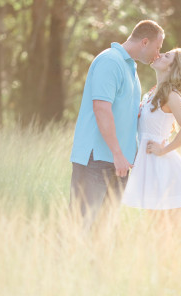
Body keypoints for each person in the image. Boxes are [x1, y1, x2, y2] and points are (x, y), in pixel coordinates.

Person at [69, 20, 164, 228]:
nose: (158, 54)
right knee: (81, 226)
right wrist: (118, 153)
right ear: (145, 42)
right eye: (157, 48)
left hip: (118, 164)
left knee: (104, 230)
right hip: (97, 160)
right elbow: (101, 109)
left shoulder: (131, 69)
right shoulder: (110, 61)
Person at [122, 48, 181, 229]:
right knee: (157, 225)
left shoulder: (170, 95)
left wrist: (163, 150)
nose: (159, 55)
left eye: (167, 56)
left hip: (164, 167)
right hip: (150, 166)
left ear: (172, 68)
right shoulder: (151, 94)